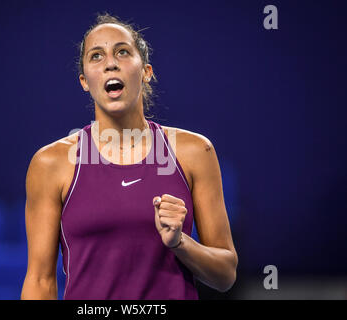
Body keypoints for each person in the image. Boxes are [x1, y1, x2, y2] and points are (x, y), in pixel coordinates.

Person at [21, 13, 238, 300]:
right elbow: (40, 280)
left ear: (146, 71)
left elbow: (225, 275)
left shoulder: (195, 152)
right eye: (96, 56)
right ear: (85, 81)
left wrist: (179, 242)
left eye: (122, 52)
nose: (110, 63)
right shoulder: (50, 163)